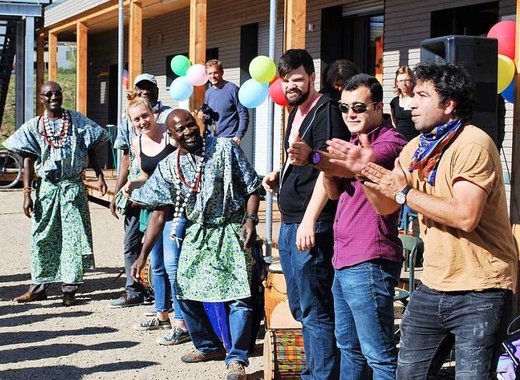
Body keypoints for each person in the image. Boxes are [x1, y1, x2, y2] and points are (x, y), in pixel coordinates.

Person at [360, 62, 518, 379]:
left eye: (421, 95)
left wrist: (402, 191)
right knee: (408, 374)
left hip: (482, 288)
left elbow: (465, 215)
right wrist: (363, 172)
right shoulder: (417, 147)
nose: (410, 103)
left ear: (448, 104)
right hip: (433, 286)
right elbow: (386, 206)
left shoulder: (473, 144)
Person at [130, 109, 260, 380]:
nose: (188, 131)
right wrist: (142, 255)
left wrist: (250, 219)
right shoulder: (168, 166)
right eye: (180, 129)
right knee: (183, 288)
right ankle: (208, 345)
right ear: (172, 134)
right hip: (197, 232)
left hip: (231, 227)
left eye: (191, 125)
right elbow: (159, 213)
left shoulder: (225, 148)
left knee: (239, 296)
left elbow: (251, 187)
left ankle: (236, 359)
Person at [300, 74, 406, 379]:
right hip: (344, 257)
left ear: (378, 106)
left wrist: (315, 157)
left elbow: (360, 164)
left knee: (379, 355)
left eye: (358, 107)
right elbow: (335, 190)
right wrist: (326, 167)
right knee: (349, 346)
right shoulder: (349, 143)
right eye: (345, 109)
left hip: (370, 258)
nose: (350, 115)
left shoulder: (391, 140)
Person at [262, 49, 350, 379]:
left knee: (315, 308)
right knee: (299, 306)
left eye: (297, 78)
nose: (291, 85)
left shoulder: (325, 110)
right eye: (286, 81)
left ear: (312, 77)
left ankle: (319, 375)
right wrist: (278, 174)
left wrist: (311, 219)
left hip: (309, 224)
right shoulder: (297, 112)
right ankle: (315, 371)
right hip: (289, 221)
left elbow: (329, 168)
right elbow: (300, 159)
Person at [4, 81, 110, 307]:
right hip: (47, 189)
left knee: (72, 238)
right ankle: (38, 287)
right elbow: (28, 160)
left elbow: (92, 146)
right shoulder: (34, 127)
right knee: (42, 235)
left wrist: (99, 174)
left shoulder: (77, 121)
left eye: (58, 93)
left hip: (72, 188)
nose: (54, 97)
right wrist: (26, 192)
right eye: (48, 94)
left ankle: (69, 289)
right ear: (41, 98)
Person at [119, 97, 190, 346]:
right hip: (154, 209)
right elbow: (148, 173)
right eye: (136, 119)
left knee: (173, 266)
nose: (142, 122)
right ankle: (162, 314)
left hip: (176, 209)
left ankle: (181, 323)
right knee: (156, 264)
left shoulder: (169, 135)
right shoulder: (138, 142)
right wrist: (132, 182)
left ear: (153, 112)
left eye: (145, 116)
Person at [108, 73, 172, 308]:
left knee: (164, 250)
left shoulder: (168, 117)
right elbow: (125, 159)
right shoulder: (130, 118)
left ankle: (163, 299)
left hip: (165, 197)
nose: (145, 92)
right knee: (132, 241)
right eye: (140, 88)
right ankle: (134, 290)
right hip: (137, 191)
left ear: (156, 90)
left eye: (149, 88)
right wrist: (118, 191)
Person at [202, 59, 249, 144]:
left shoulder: (232, 89)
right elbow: (210, 117)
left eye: (215, 72)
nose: (213, 76)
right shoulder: (208, 93)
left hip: (229, 139)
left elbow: (243, 114)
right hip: (212, 139)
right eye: (210, 73)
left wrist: (238, 136)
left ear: (222, 72)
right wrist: (204, 117)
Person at [389, 65, 418, 142]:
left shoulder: (418, 99)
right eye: (401, 81)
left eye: (407, 80)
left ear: (412, 81)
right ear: (397, 83)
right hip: (399, 142)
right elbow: (395, 123)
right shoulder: (394, 102)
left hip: (415, 141)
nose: (404, 84)